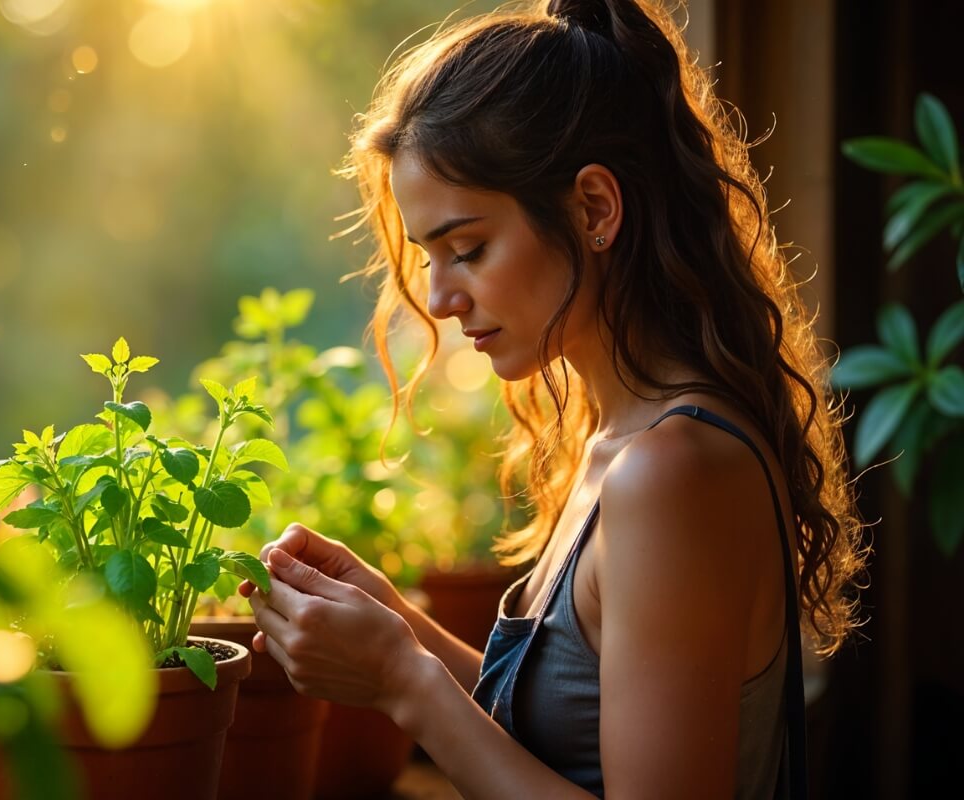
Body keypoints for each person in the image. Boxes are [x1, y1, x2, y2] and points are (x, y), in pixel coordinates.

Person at [241, 0, 867, 797]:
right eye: (429, 256)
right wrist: (403, 631)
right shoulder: (620, 440)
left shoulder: (673, 474)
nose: (438, 299)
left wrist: (405, 680)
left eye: (467, 248)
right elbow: (569, 734)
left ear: (595, 209)